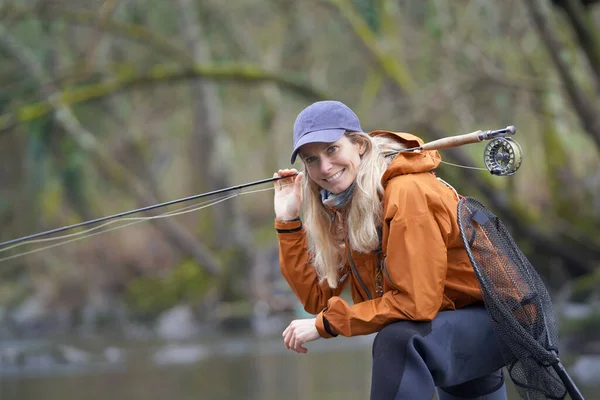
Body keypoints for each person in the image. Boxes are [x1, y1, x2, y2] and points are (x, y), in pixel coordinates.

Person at [272, 100, 508, 400]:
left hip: (493, 323)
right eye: (311, 160)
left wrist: (327, 324)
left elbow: (416, 304)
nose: (324, 168)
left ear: (358, 144)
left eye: (332, 149)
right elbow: (317, 297)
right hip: (445, 326)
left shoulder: (407, 193)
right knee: (403, 337)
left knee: (397, 341)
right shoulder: (348, 205)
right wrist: (287, 220)